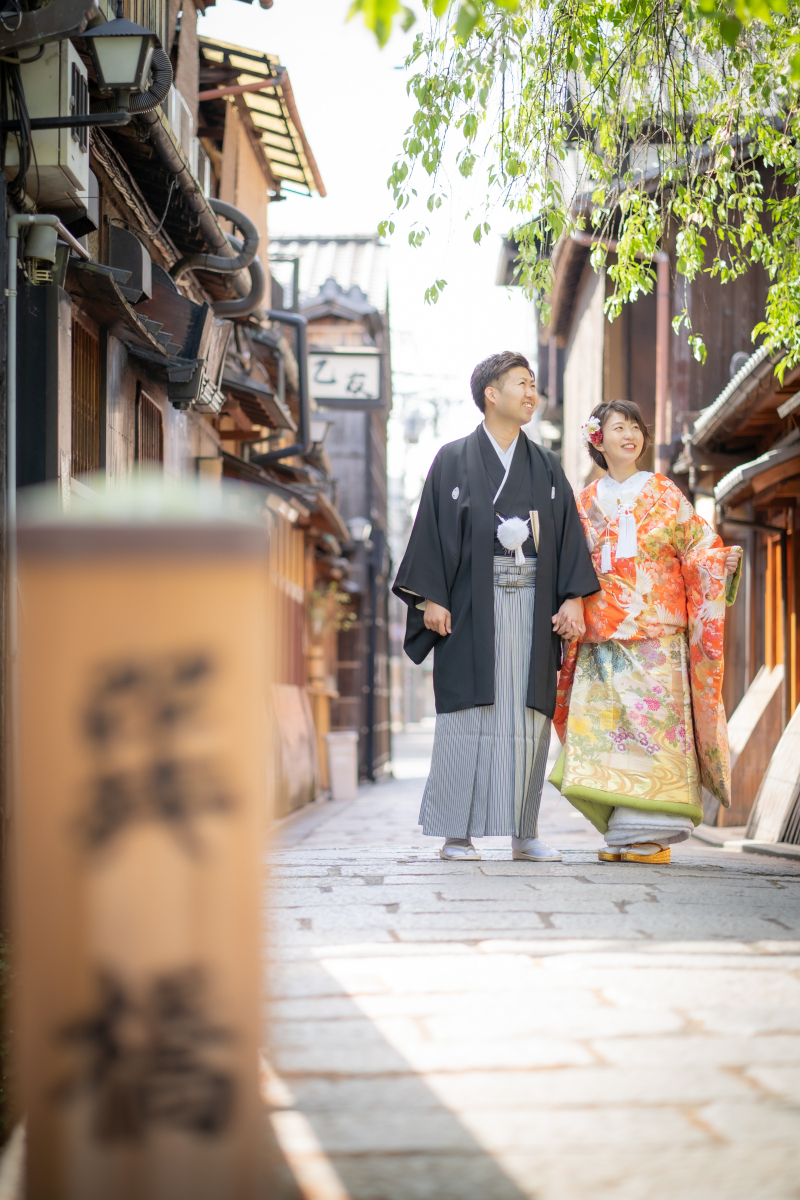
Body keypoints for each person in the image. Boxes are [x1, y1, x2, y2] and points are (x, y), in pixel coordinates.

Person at [392, 352, 599, 861]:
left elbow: (569, 537)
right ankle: (456, 833)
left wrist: (573, 596)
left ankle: (523, 833)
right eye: (521, 384)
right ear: (491, 393)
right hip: (468, 608)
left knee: (528, 720)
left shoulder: (547, 465)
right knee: (467, 715)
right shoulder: (453, 459)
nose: (532, 393)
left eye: (533, 385)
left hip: (533, 607)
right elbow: (431, 533)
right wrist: (431, 599)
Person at [550, 400, 742, 864]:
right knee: (606, 736)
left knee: (654, 735)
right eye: (618, 427)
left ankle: (652, 837)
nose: (630, 434)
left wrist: (718, 563)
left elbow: (697, 547)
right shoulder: (585, 501)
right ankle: (623, 835)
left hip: (657, 637)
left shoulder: (665, 492)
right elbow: (570, 563)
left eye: (635, 426)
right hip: (602, 638)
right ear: (599, 439)